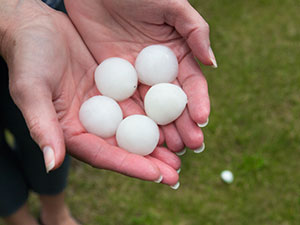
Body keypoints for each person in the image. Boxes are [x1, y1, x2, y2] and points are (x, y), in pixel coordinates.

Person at [0, 0, 217, 224]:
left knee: (46, 139)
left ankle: (55, 214)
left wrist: (18, 10)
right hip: (35, 29)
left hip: (48, 12)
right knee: (45, 135)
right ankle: (19, 219)